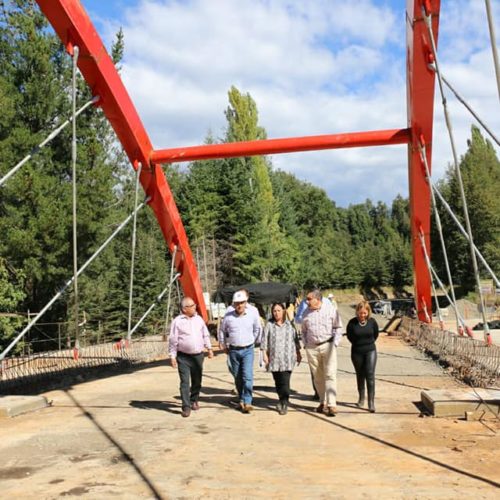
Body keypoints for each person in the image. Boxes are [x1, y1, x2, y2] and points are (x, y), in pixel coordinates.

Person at [169, 297, 214, 418]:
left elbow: (205, 335)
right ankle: (186, 406)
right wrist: (172, 356)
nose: (195, 307)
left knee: (197, 380)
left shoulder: (199, 319)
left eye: (194, 305)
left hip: (198, 356)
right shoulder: (177, 321)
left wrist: (209, 349)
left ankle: (194, 399)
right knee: (185, 381)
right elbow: (173, 340)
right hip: (183, 357)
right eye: (192, 306)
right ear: (185, 309)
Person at [301, 289, 343, 417]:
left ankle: (332, 404)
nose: (306, 301)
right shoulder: (306, 313)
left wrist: (334, 344)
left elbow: (338, 327)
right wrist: (306, 344)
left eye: (309, 299)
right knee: (318, 377)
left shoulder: (330, 310)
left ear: (317, 299)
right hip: (312, 348)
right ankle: (322, 402)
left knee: (330, 374)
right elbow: (303, 331)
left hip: (328, 345)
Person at [219, 290, 261, 413]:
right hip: (233, 350)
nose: (239, 305)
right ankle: (241, 399)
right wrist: (223, 344)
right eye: (237, 303)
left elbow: (257, 329)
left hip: (248, 349)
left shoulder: (252, 314)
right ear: (234, 304)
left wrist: (254, 341)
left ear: (245, 302)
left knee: (247, 376)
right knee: (238, 377)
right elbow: (222, 330)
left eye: (242, 303)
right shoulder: (228, 317)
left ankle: (248, 401)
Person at [261, 303, 302, 415]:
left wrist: (298, 353)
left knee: (285, 381)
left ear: (283, 311)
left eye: (279, 310)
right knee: (278, 382)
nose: (276, 313)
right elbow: (264, 340)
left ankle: (284, 403)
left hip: (288, 358)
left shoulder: (290, 325)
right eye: (274, 311)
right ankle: (281, 399)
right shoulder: (269, 324)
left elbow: (296, 340)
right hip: (274, 359)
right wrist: (264, 354)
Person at [346, 300, 379, 413]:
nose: (362, 315)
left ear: (368, 312)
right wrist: (358, 344)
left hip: (370, 350)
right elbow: (349, 336)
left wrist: (367, 343)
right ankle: (361, 397)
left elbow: (375, 335)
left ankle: (371, 402)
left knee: (370, 374)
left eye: (364, 313)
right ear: (357, 312)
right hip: (357, 351)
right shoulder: (352, 323)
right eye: (360, 313)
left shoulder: (372, 322)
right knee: (360, 375)